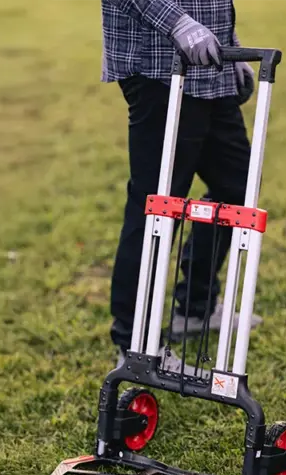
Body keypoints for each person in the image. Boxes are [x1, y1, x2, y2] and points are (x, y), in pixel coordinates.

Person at [101, 0, 263, 372]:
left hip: (210, 68)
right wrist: (177, 24)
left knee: (237, 187)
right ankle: (134, 342)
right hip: (159, 68)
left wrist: (229, 42)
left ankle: (195, 307)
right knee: (158, 204)